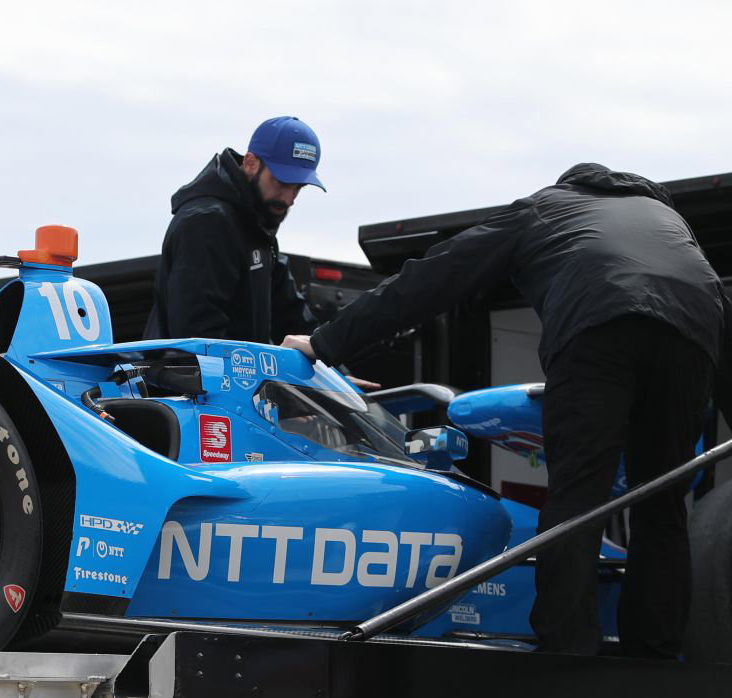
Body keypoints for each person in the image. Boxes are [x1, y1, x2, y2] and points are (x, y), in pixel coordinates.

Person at [286, 162, 724, 659]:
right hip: (692, 340)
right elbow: (717, 308)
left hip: (598, 330)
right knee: (662, 501)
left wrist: (325, 343)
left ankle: (568, 655)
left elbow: (435, 276)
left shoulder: (546, 208)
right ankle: (657, 656)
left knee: (579, 496)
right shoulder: (669, 223)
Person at [145, 115, 325, 343]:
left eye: (299, 187)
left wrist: (330, 357)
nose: (289, 199)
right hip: (195, 367)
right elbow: (198, 336)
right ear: (250, 163)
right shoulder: (207, 224)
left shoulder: (257, 224)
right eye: (282, 182)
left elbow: (292, 316)